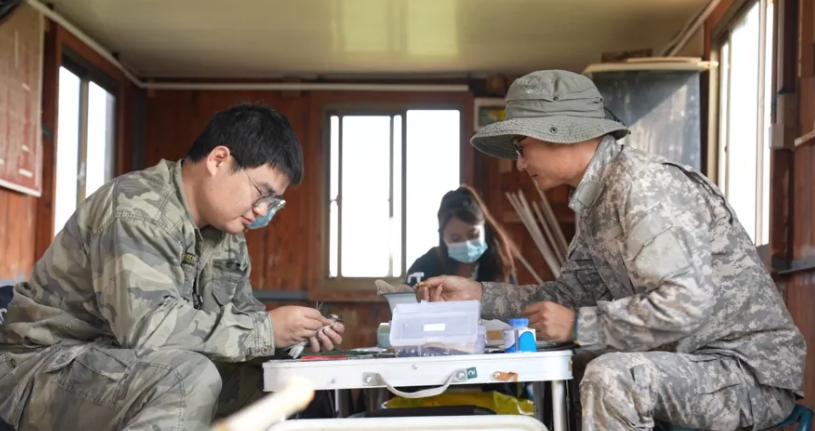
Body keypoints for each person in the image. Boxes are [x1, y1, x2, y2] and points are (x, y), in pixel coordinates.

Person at [417, 70, 806, 430]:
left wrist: (578, 326)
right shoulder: (597, 201)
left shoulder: (642, 186)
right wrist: (479, 295)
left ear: (558, 132)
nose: (520, 164)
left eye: (522, 147)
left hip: (745, 373)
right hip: (690, 364)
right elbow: (568, 297)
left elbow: (684, 304)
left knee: (613, 378)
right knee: (570, 366)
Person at [0, 103, 344, 431]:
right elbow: (147, 329)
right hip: (43, 370)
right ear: (219, 160)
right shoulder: (137, 209)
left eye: (273, 202)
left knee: (274, 383)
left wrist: (289, 339)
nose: (262, 210)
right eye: (261, 193)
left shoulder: (227, 232)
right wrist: (265, 331)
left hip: (123, 366)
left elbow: (239, 319)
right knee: (186, 379)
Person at [405, 185, 518, 287]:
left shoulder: (499, 264)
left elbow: (512, 300)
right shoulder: (425, 266)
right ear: (443, 238)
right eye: (456, 239)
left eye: (473, 235)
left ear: (485, 228)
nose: (467, 244)